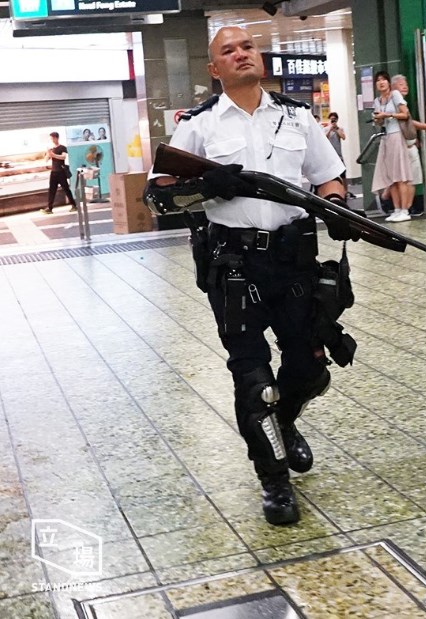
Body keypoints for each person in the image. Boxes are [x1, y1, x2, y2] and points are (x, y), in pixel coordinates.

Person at [144, 26, 359, 526]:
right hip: (233, 264)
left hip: (294, 261)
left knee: (309, 369)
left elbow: (329, 176)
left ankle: (281, 425)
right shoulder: (198, 125)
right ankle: (275, 479)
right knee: (254, 378)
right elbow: (161, 196)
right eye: (229, 50)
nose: (241, 54)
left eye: (247, 47)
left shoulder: (296, 117)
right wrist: (205, 185)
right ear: (213, 68)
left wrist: (335, 206)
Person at [390, 74, 426, 217]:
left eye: (405, 84)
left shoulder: (397, 103)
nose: (404, 87)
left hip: (409, 145)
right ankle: (406, 209)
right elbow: (410, 122)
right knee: (408, 179)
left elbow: (408, 123)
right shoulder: (396, 101)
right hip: (405, 148)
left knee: (407, 179)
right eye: (400, 84)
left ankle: (404, 209)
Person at [371, 71, 413, 223]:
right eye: (378, 80)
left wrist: (388, 115)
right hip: (386, 138)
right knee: (391, 178)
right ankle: (396, 209)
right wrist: (377, 120)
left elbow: (405, 114)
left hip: (396, 136)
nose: (381, 82)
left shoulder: (395, 95)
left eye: (384, 80)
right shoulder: (377, 101)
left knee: (400, 175)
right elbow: (380, 122)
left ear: (389, 83)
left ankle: (404, 209)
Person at [42, 132, 77, 215]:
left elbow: (63, 157)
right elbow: (46, 160)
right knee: (52, 190)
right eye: (50, 138)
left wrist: (53, 155)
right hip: (53, 172)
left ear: (56, 138)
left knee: (66, 189)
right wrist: (48, 154)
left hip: (61, 171)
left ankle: (74, 205)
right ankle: (49, 208)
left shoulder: (62, 148)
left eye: (52, 138)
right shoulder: (51, 149)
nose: (51, 140)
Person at [325, 112, 355, 200]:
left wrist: (337, 129)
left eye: (334, 119)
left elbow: (343, 137)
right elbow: (325, 138)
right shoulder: (326, 129)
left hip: (339, 155)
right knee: (331, 174)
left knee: (343, 174)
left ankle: (345, 191)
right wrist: (330, 129)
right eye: (332, 119)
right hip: (330, 155)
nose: (333, 121)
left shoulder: (340, 129)